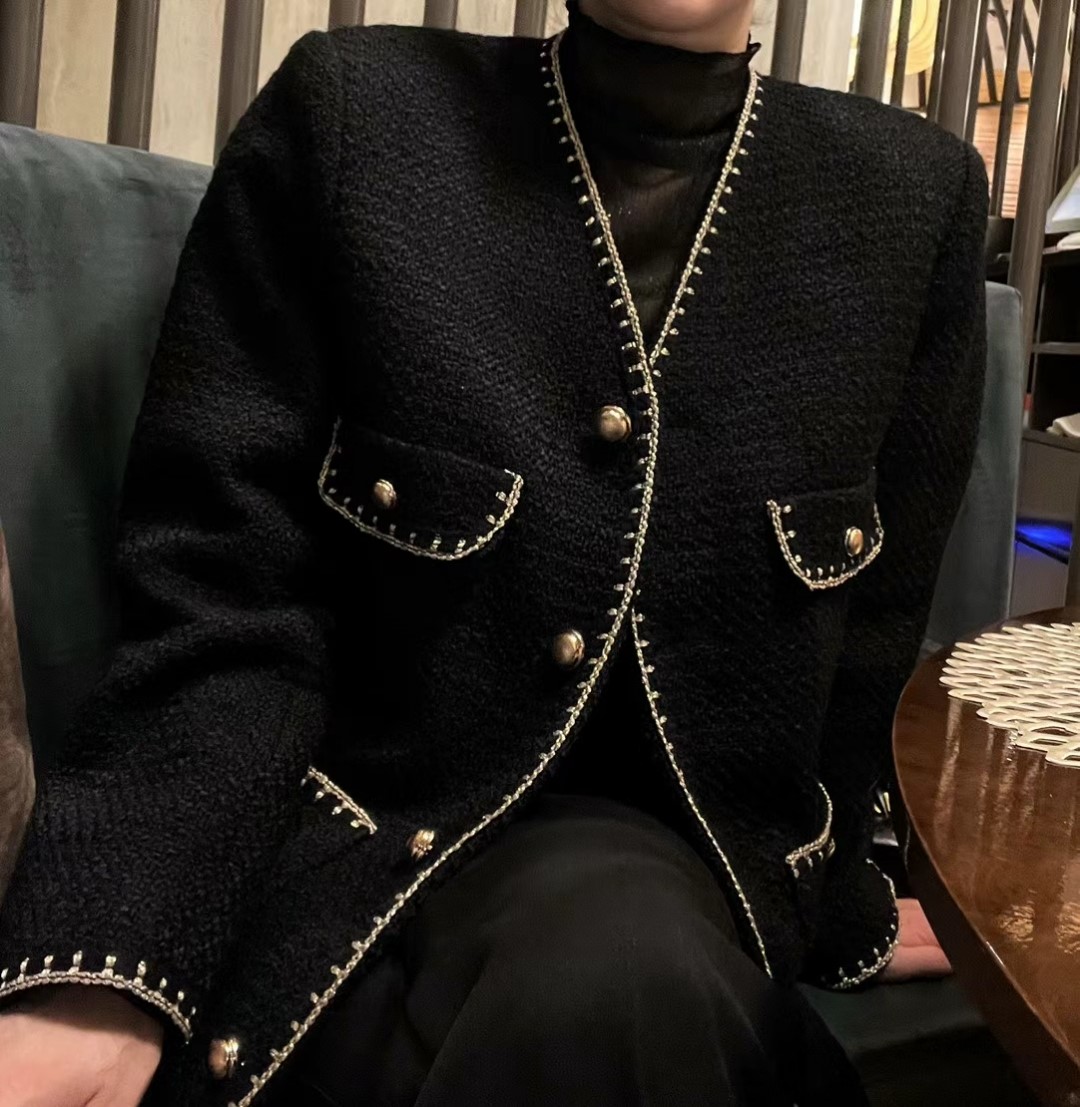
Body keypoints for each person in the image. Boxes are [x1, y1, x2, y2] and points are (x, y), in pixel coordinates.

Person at [0, 0, 985, 1103]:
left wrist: (842, 902)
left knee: (622, 968)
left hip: (676, 933)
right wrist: (110, 963)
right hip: (355, 875)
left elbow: (871, 653)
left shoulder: (911, 200)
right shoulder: (354, 118)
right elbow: (223, 604)